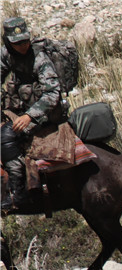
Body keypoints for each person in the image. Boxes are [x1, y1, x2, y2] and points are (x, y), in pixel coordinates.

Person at [1, 16, 65, 211]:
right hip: (19, 109)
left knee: (6, 136)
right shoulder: (6, 55)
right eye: (17, 43)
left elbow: (53, 92)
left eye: (25, 41)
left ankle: (17, 193)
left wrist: (30, 116)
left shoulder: (40, 58)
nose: (23, 45)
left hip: (45, 113)